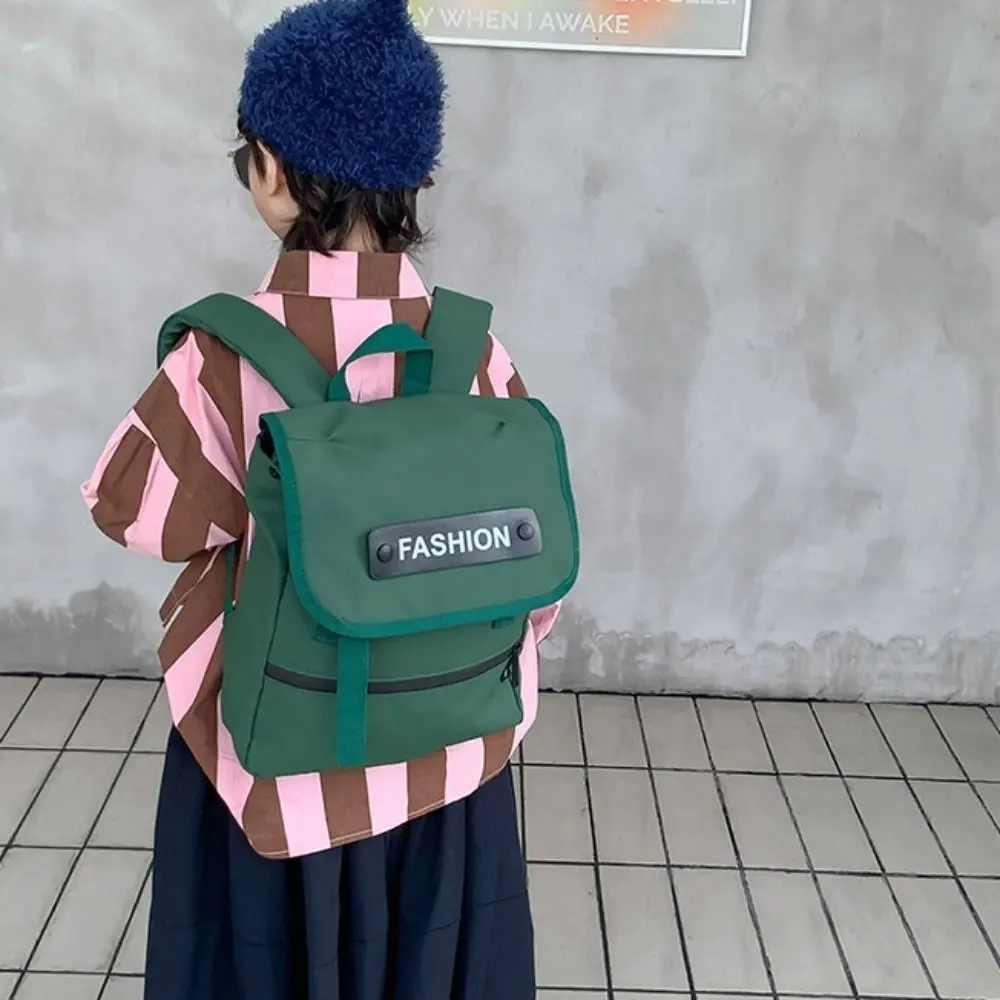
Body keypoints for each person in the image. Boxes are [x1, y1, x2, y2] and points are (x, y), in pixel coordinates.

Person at [81, 1, 559, 996]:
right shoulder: (475, 350)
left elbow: (132, 511)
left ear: (270, 170)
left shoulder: (221, 355)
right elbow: (529, 568)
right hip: (451, 759)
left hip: (276, 770)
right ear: (418, 177)